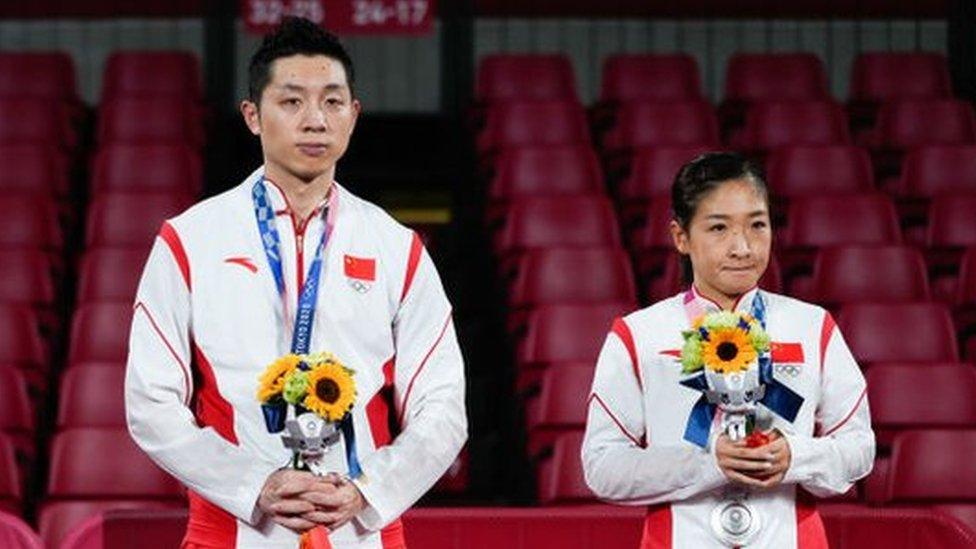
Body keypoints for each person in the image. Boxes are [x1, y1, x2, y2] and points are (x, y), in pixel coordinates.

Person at [125, 17, 466, 548]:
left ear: (353, 116)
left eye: (332, 102)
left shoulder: (397, 247)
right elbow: (150, 404)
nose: (315, 120)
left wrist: (367, 491)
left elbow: (443, 407)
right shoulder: (188, 241)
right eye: (291, 102)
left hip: (361, 530)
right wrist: (254, 485)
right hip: (233, 529)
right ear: (253, 116)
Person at [581, 152, 874, 547]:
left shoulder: (812, 326)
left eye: (757, 225)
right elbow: (602, 467)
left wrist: (796, 456)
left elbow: (859, 449)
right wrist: (708, 463)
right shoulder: (638, 335)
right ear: (680, 237)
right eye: (719, 228)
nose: (742, 247)